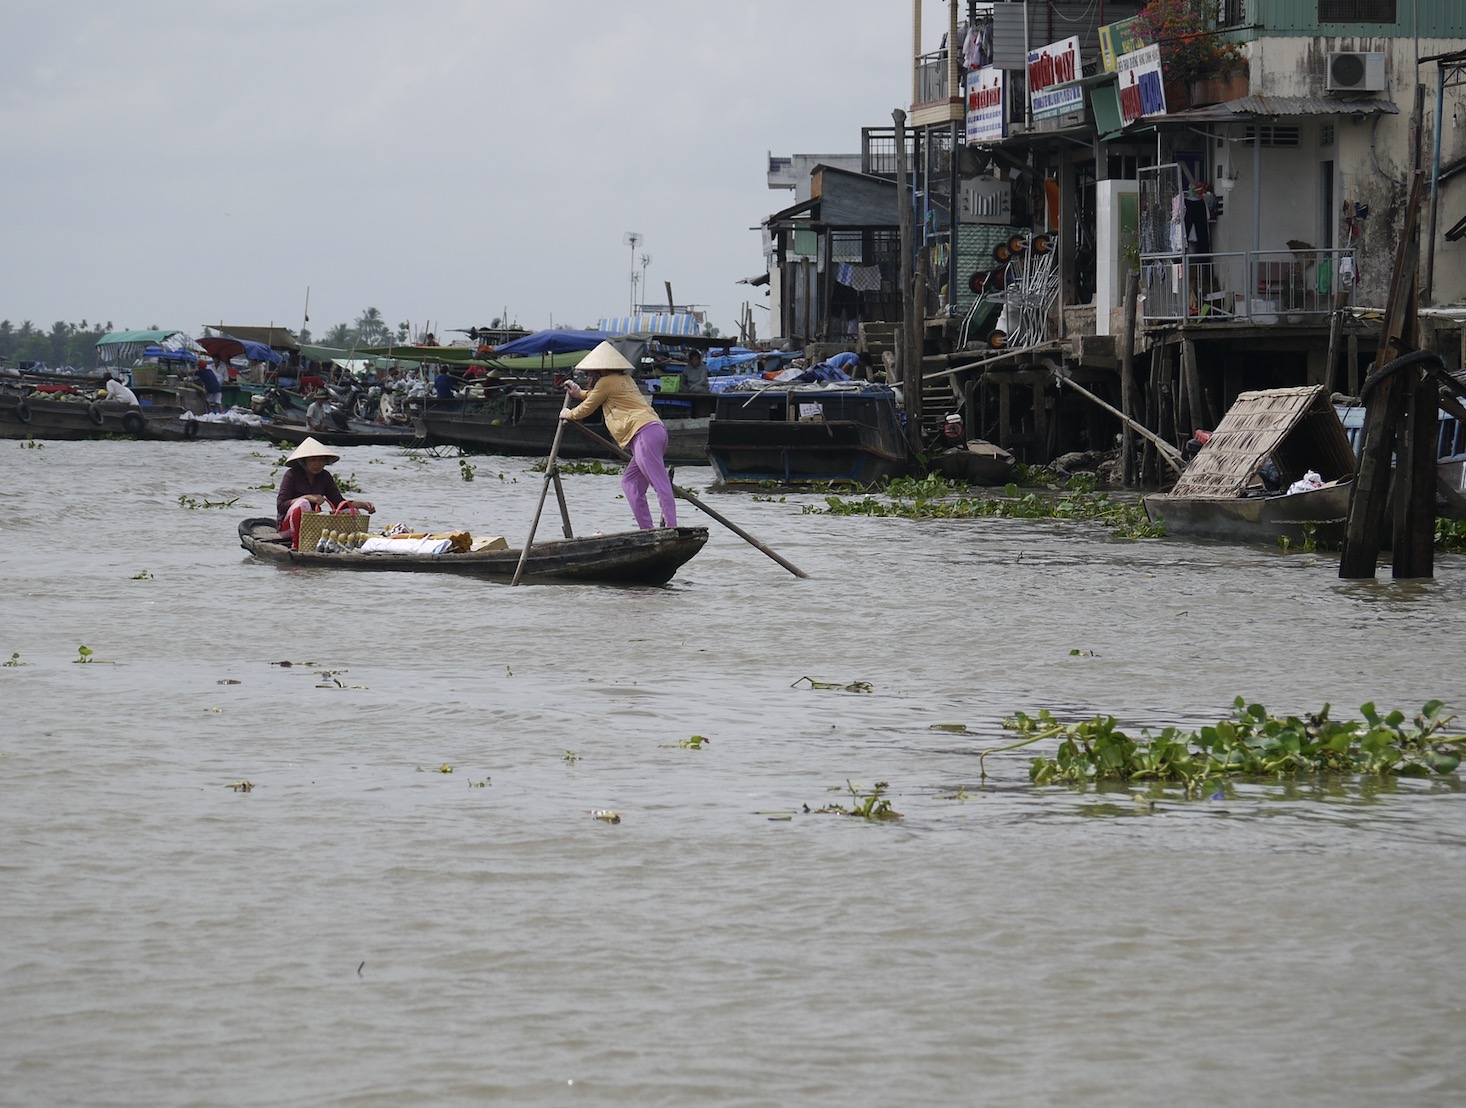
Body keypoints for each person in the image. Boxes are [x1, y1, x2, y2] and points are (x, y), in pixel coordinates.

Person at [560, 341, 677, 530]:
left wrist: (569, 413)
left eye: (593, 372)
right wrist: (579, 393)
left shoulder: (607, 381)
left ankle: (672, 527)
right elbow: (596, 395)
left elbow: (587, 408)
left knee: (659, 483)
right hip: (653, 431)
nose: (591, 375)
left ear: (602, 368)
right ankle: (646, 530)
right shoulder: (623, 379)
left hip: (643, 432)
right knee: (630, 482)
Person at [276, 437, 376, 548]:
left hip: (311, 527)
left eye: (321, 460)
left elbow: (339, 503)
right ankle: (297, 545)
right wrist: (308, 497)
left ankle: (349, 545)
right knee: (303, 503)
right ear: (304, 461)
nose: (317, 464)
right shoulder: (291, 475)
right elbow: (281, 506)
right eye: (313, 460)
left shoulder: (325, 476)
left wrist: (362, 505)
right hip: (287, 529)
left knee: (350, 511)